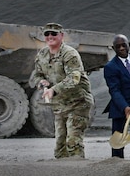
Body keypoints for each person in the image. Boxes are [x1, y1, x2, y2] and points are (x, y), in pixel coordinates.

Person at [30, 23, 93, 159]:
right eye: (47, 34)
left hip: (78, 102)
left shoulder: (69, 54)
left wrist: (54, 89)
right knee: (60, 147)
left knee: (73, 142)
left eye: (54, 34)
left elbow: (74, 78)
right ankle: (63, 175)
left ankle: (78, 172)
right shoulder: (42, 54)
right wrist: (41, 82)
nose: (50, 37)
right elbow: (36, 75)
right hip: (60, 105)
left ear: (61, 36)